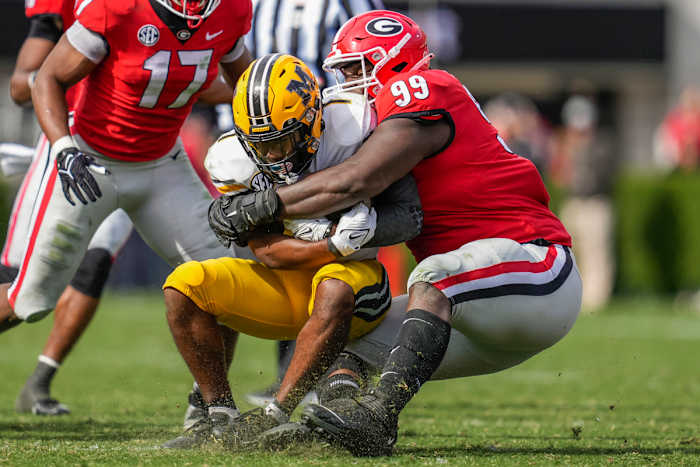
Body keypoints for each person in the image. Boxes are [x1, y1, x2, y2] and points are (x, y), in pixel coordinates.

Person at [211, 10, 583, 456]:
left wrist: (263, 204)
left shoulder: (427, 88)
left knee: (434, 274)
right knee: (346, 338)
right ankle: (341, 423)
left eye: (355, 68)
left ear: (395, 64)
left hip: (536, 266)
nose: (346, 82)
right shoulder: (380, 113)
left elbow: (357, 180)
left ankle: (379, 414)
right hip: (478, 305)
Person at [0, 0, 255, 413]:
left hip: (161, 165)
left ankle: (212, 409)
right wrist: (63, 148)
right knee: (28, 299)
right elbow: (46, 77)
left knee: (228, 279)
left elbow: (245, 83)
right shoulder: (117, 6)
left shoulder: (230, 10)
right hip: (89, 160)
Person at [160, 53, 421, 448]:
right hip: (287, 283)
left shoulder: (355, 126)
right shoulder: (233, 160)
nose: (275, 157)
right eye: (263, 147)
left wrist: (371, 229)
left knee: (333, 288)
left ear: (315, 118)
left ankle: (274, 414)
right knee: (185, 284)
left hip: (354, 286)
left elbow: (410, 216)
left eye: (285, 141)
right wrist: (333, 243)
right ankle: (217, 414)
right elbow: (269, 253)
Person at [221, 0, 386, 407]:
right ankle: (220, 398)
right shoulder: (253, 7)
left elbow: (365, 59)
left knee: (336, 279)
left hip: (317, 126)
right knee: (213, 270)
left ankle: (330, 370)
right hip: (257, 124)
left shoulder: (353, 121)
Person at [2, 0, 133, 415]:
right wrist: (85, 56)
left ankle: (40, 382)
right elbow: (23, 86)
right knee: (20, 281)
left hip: (137, 148)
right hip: (71, 138)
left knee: (95, 261)